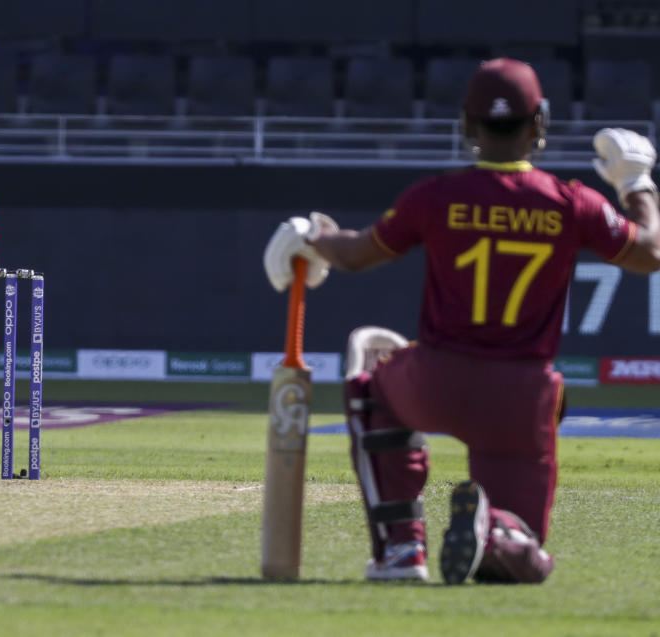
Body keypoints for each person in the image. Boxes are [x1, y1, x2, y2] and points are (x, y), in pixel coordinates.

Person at [263, 58, 660, 584]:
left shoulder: (436, 196)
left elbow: (356, 254)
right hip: (523, 398)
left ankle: (402, 551)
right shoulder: (572, 203)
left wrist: (310, 237)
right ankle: (499, 531)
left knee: (373, 381)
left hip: (437, 381)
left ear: (467, 126)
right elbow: (650, 250)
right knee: (516, 559)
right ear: (539, 124)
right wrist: (636, 183)